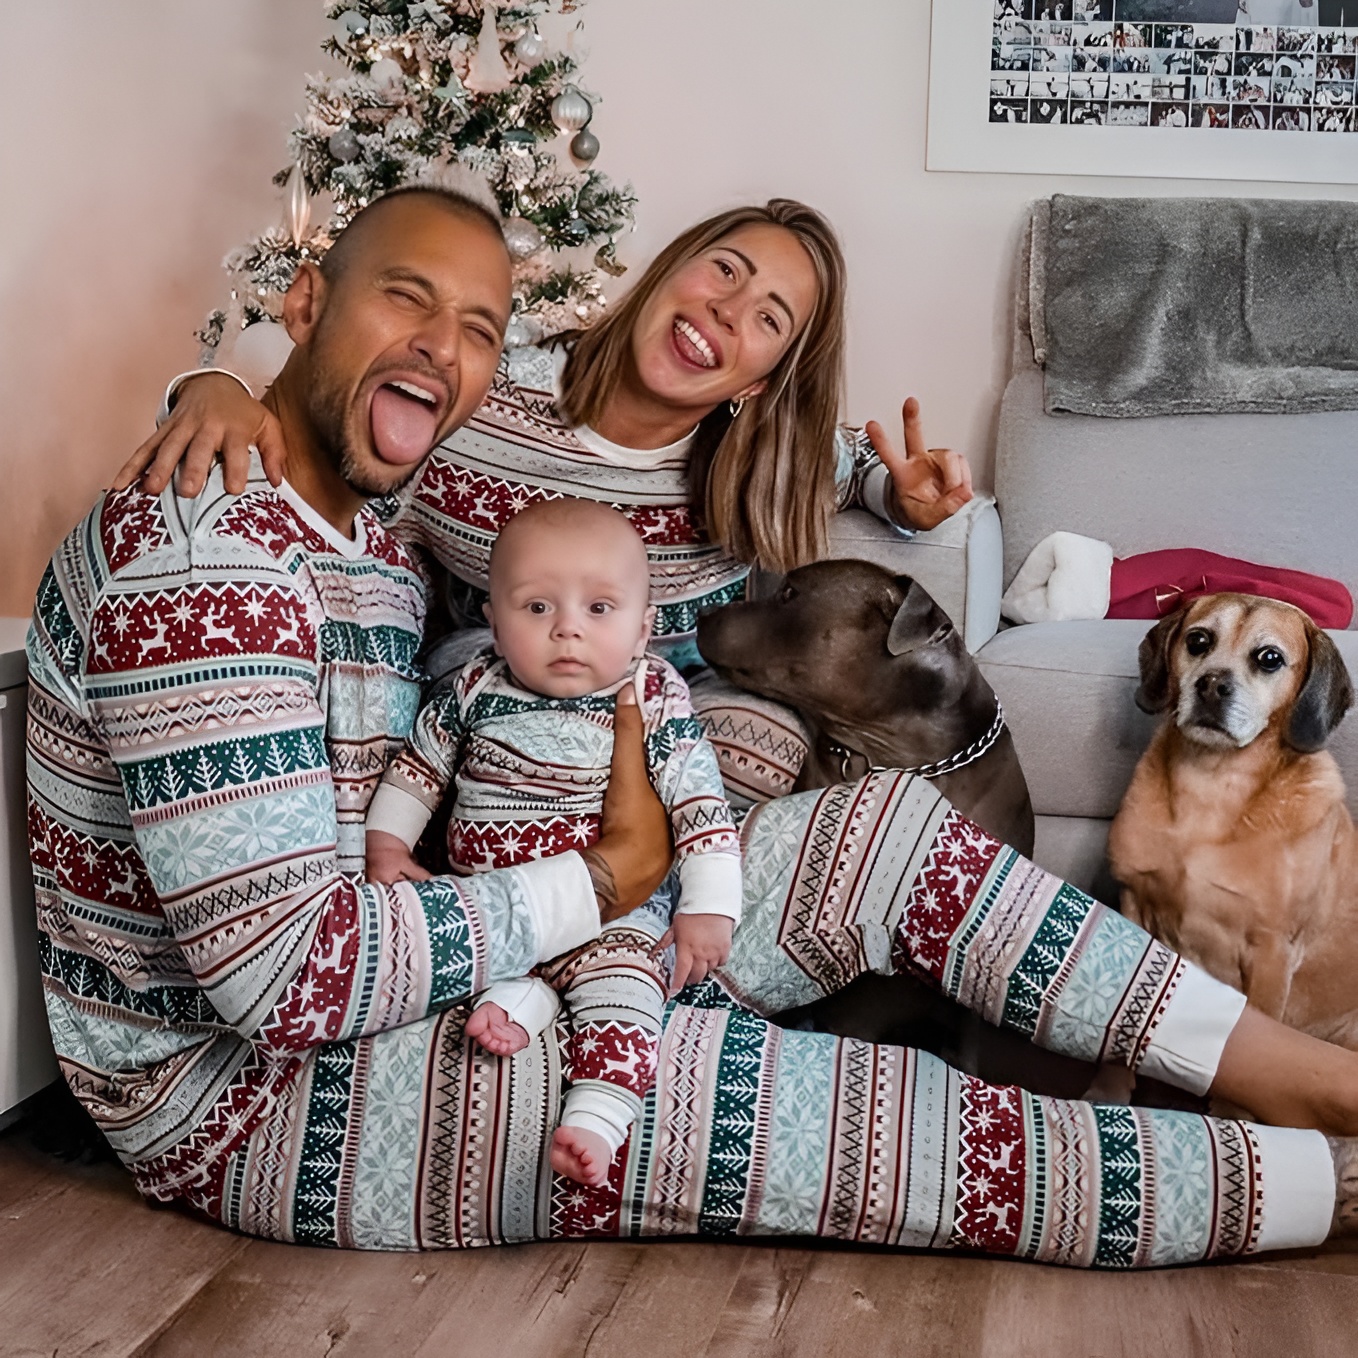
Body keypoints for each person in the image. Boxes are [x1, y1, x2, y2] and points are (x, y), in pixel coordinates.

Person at [31, 179, 1358, 1265]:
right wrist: (606, 873)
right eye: (406, 300)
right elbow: (285, 978)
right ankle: (1320, 1180)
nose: (443, 352)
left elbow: (838, 469)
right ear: (306, 301)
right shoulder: (202, 558)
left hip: (473, 931)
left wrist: (905, 501)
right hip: (253, 1092)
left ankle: (1303, 1077)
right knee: (849, 1118)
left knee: (889, 829)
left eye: (480, 328)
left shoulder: (374, 529)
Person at [114, 198, 977, 804]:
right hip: (500, 699)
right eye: (723, 269)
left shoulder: (765, 458)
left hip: (671, 709)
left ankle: (672, 971)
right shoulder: (487, 396)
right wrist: (210, 384)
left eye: (768, 317)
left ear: (762, 379)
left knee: (762, 745)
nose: (725, 307)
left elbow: (863, 461)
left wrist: (904, 501)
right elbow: (320, 421)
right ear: (671, 270)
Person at [364, 497, 743, 1187]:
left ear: (643, 628)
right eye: (537, 608)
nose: (568, 628)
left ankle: (597, 1117)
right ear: (495, 624)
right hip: (495, 904)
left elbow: (698, 802)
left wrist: (709, 905)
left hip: (615, 919)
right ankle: (526, 996)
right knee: (447, 961)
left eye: (600, 609)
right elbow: (418, 769)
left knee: (630, 998)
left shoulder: (652, 691)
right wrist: (388, 845)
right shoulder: (476, 686)